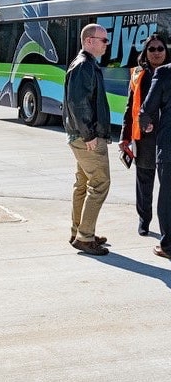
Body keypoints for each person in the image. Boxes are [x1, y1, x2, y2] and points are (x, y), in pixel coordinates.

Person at [62, 24, 111, 256]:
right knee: (100, 184)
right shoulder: (84, 66)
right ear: (90, 41)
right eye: (104, 40)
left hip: (79, 136)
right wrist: (90, 135)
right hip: (87, 138)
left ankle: (79, 231)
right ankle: (84, 237)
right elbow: (78, 103)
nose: (106, 44)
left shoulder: (85, 64)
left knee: (83, 185)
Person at [119, 34, 168, 236]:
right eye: (152, 49)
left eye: (160, 48)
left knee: (167, 184)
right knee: (144, 181)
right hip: (145, 138)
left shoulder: (169, 73)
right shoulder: (138, 74)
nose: (156, 52)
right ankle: (144, 219)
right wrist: (125, 136)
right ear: (145, 53)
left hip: (167, 136)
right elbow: (130, 107)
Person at [139, 53, 171, 259]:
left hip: (168, 146)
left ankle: (167, 246)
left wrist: (147, 124)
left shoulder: (164, 73)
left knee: (168, 197)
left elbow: (147, 109)